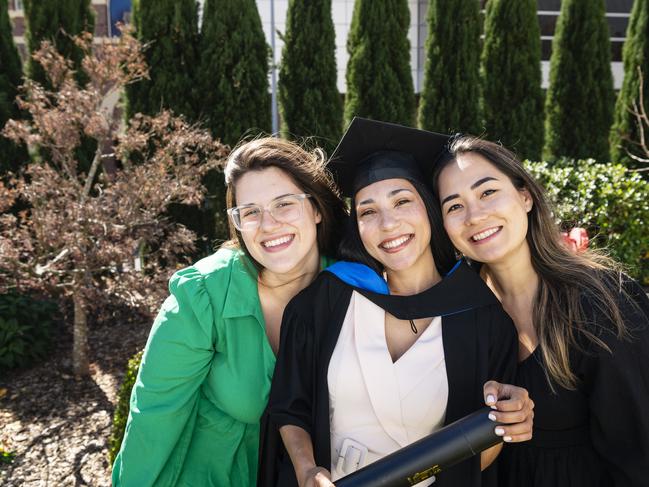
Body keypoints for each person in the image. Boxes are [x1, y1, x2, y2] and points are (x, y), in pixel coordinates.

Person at [261, 119, 534, 487]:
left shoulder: (482, 318)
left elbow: (484, 452)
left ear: (429, 209)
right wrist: (307, 470)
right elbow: (289, 406)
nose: (388, 224)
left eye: (402, 201)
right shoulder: (328, 299)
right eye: (367, 211)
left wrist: (506, 418)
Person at [111, 137, 347, 486]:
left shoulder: (351, 287)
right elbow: (154, 414)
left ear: (315, 209)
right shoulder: (206, 295)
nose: (268, 225)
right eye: (250, 212)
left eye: (284, 204)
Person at [433, 136, 649, 487]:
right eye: (454, 206)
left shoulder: (600, 303)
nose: (475, 215)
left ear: (525, 196)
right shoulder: (457, 314)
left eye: (487, 192)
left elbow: (638, 454)